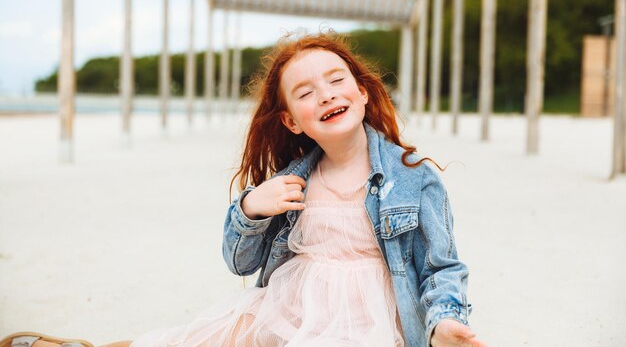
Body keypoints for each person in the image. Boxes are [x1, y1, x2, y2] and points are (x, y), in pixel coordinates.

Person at [1, 31, 485, 347]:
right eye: (306, 91)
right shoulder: (289, 181)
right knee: (193, 342)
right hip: (286, 310)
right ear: (292, 121)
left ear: (361, 92)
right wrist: (251, 208)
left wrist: (443, 322)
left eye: (337, 80)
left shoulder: (413, 176)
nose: (327, 93)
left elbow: (442, 266)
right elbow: (239, 263)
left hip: (375, 325)